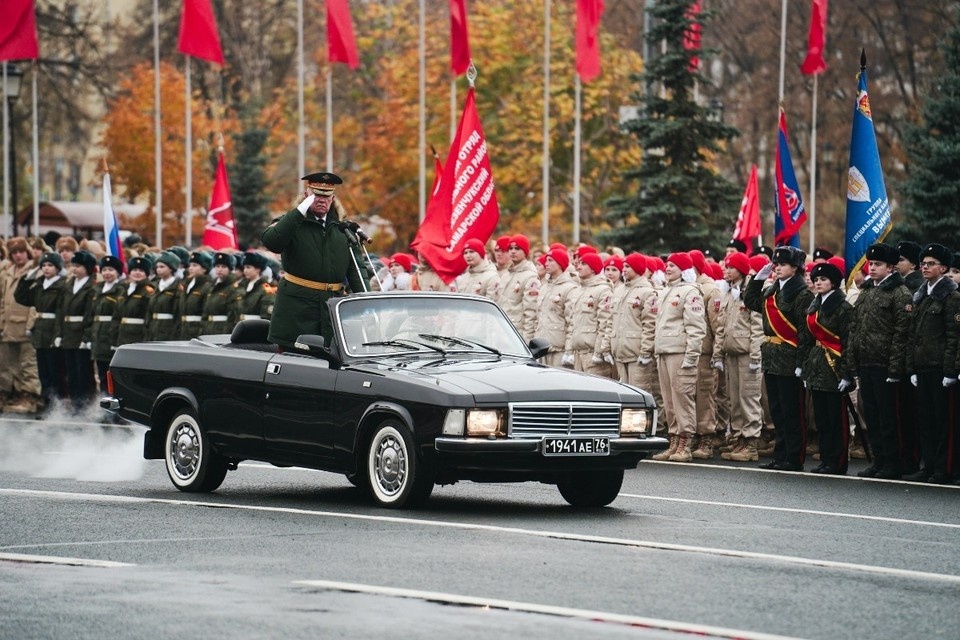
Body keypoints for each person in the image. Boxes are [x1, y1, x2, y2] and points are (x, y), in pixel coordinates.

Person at [261, 172, 367, 349]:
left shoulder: (343, 230)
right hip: (297, 310)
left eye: (326, 196)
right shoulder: (290, 223)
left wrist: (366, 302)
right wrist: (299, 212)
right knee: (296, 364)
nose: (321, 200)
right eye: (316, 194)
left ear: (332, 198)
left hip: (331, 308)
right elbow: (272, 242)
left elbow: (357, 270)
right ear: (306, 195)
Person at [743, 246, 813, 472]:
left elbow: (804, 332)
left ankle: (794, 457)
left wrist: (801, 363)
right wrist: (757, 279)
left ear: (795, 268)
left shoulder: (802, 294)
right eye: (776, 264)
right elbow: (751, 302)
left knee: (792, 411)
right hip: (772, 358)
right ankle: (780, 455)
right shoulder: (772, 290)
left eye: (783, 264)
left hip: (790, 358)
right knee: (777, 410)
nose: (778, 268)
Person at [847, 243, 912, 479]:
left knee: (888, 417)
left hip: (885, 365)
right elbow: (856, 329)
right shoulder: (866, 291)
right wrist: (853, 362)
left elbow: (901, 334)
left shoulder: (899, 293)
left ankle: (893, 463)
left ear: (890, 267)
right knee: (872, 415)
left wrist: (895, 369)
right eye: (871, 264)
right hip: (867, 363)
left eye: (878, 265)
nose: (872, 268)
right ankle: (879, 460)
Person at [904, 243, 960, 484]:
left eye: (930, 264)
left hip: (940, 367)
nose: (925, 268)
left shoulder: (951, 296)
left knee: (942, 420)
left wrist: (950, 370)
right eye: (923, 264)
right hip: (923, 365)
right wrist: (912, 368)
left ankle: (942, 468)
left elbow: (953, 335)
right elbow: (913, 332)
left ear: (943, 267)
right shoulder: (921, 294)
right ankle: (927, 466)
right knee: (925, 419)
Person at [651, 252, 706, 463]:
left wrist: (691, 357)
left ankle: (685, 442)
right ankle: (673, 440)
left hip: (679, 352)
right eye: (667, 264)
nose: (668, 267)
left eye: (673, 265)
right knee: (669, 400)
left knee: (682, 398)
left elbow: (696, 328)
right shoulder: (666, 291)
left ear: (683, 270)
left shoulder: (690, 292)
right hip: (664, 351)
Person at [802, 262, 856, 475]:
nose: (818, 283)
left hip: (835, 368)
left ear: (833, 282)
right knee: (822, 419)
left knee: (837, 419)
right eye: (816, 280)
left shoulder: (843, 307)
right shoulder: (815, 305)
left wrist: (846, 373)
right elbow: (808, 340)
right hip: (818, 366)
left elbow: (847, 341)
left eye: (823, 280)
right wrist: (807, 368)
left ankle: (838, 461)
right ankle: (826, 459)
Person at [712, 252, 764, 461]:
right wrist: (718, 353)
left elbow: (757, 326)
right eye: (726, 267)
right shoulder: (729, 292)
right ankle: (739, 439)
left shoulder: (750, 291)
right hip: (731, 353)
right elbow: (722, 326)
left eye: (731, 267)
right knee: (735, 400)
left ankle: (751, 443)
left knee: (749, 399)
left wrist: (755, 356)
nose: (727, 270)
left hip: (746, 355)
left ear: (741, 269)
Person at [15, 252, 67, 411]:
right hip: (40, 332)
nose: (46, 269)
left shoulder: (62, 286)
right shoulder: (39, 284)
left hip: (52, 331)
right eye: (43, 265)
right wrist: (26, 279)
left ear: (58, 268)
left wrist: (58, 335)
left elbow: (61, 312)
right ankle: (47, 406)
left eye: (50, 265)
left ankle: (58, 408)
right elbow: (21, 297)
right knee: (43, 374)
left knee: (55, 373)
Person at [0, 237, 41, 413]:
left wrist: (31, 324)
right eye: (14, 253)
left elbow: (36, 302)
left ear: (27, 252)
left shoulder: (33, 271)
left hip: (25, 325)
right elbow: (3, 300)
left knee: (28, 364)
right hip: (9, 326)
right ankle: (12, 394)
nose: (18, 256)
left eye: (21, 252)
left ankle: (30, 397)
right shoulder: (7, 272)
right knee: (9, 364)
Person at [55, 250, 97, 409]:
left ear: (87, 268)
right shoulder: (69, 285)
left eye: (78, 266)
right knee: (71, 372)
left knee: (83, 372)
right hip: (68, 334)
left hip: (80, 333)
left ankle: (86, 404)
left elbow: (89, 314)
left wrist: (86, 337)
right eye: (74, 265)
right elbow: (61, 310)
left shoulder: (91, 287)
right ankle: (75, 403)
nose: (75, 269)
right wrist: (59, 334)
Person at [565, 252, 614, 377]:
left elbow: (605, 323)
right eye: (579, 263)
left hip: (592, 354)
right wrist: (569, 350)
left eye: (583, 264)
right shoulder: (578, 290)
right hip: (577, 353)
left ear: (593, 268)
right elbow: (572, 323)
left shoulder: (603, 290)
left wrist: (599, 352)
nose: (578, 267)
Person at [534, 248, 577, 367]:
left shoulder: (569, 288)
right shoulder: (544, 288)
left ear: (560, 264)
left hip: (559, 349)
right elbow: (537, 318)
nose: (546, 263)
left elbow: (572, 322)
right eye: (546, 260)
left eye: (550, 260)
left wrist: (569, 350)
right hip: (541, 348)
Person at [91, 255, 124, 395]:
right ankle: (104, 408)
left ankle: (114, 411)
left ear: (118, 272)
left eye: (111, 269)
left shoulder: (121, 289)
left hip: (110, 335)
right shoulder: (98, 289)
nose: (107, 273)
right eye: (104, 269)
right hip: (98, 336)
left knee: (113, 376)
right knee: (102, 374)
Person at [499, 234, 541, 342]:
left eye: (517, 248)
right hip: (502, 331)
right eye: (510, 249)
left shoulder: (530, 276)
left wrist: (527, 341)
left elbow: (531, 313)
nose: (513, 251)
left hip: (517, 334)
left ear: (525, 252)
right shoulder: (505, 275)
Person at [111, 256, 155, 348]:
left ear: (146, 274)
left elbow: (149, 319)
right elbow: (116, 316)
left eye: (141, 270)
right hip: (122, 336)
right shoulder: (124, 291)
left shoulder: (148, 292)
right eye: (134, 270)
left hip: (138, 337)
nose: (137, 273)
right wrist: (114, 338)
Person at [144, 251, 183, 342]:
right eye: (157, 267)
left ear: (171, 268)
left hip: (168, 330)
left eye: (162, 267)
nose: (158, 270)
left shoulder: (177, 287)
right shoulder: (155, 286)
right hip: (153, 329)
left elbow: (178, 313)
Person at [202, 252, 240, 335]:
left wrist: (226, 333)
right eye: (217, 266)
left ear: (230, 269)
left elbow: (233, 316)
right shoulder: (211, 286)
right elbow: (205, 312)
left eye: (224, 267)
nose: (219, 269)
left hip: (222, 331)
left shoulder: (233, 288)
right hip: (208, 330)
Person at [180, 251, 214, 340]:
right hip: (184, 330)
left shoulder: (207, 287)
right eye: (190, 265)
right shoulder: (187, 285)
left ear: (204, 269)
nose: (190, 268)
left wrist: (201, 333)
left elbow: (205, 312)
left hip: (196, 331)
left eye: (195, 265)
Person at [236, 252, 276, 321]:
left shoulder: (266, 288)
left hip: (255, 326)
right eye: (244, 267)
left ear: (258, 269)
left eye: (248, 267)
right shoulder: (242, 286)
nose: (245, 270)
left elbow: (267, 314)